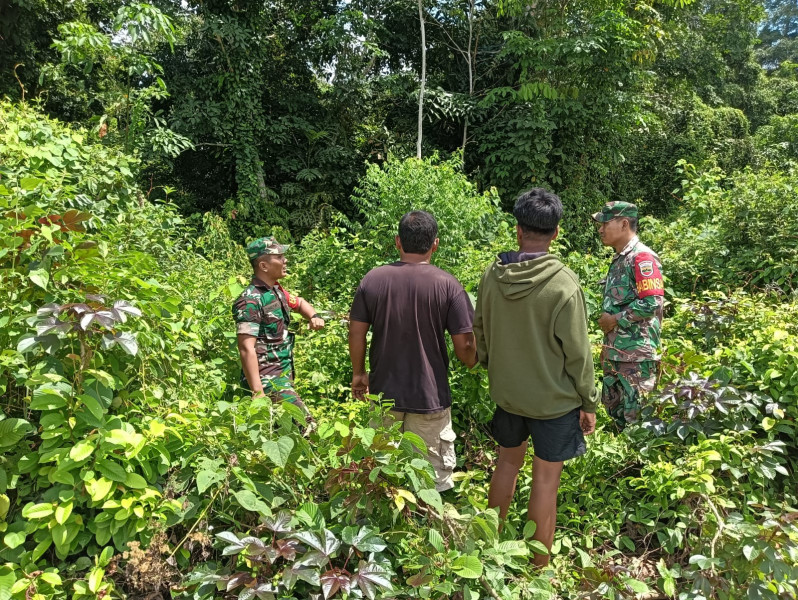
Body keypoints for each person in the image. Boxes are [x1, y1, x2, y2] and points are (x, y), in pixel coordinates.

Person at [473, 188, 598, 566]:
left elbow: (480, 330)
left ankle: (487, 550)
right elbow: (578, 354)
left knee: (506, 465)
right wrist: (589, 401)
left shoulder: (492, 277)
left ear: (518, 230)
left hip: (508, 395)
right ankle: (537, 568)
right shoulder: (563, 285)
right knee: (546, 481)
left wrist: (490, 361)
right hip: (553, 403)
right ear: (555, 232)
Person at [348, 211, 477, 492]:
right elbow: (465, 345)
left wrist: (359, 374)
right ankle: (426, 531)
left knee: (382, 476)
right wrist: (476, 363)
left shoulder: (373, 280)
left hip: (384, 394)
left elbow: (356, 332)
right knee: (430, 481)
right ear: (435, 244)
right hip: (429, 395)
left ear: (398, 242)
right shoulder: (448, 285)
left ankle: (384, 529)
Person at [232, 236, 325, 416]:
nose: (285, 260)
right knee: (307, 426)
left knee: (279, 434)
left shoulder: (276, 291)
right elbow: (246, 349)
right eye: (279, 257)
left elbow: (299, 303)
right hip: (267, 379)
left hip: (283, 375)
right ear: (264, 266)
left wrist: (314, 316)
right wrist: (257, 393)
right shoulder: (250, 300)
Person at [592, 201, 664, 430]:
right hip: (617, 353)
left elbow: (652, 302)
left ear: (624, 224)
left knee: (637, 422)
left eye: (605, 223)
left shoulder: (642, 258)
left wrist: (614, 320)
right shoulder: (620, 258)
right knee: (616, 417)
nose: (600, 229)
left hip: (636, 357)